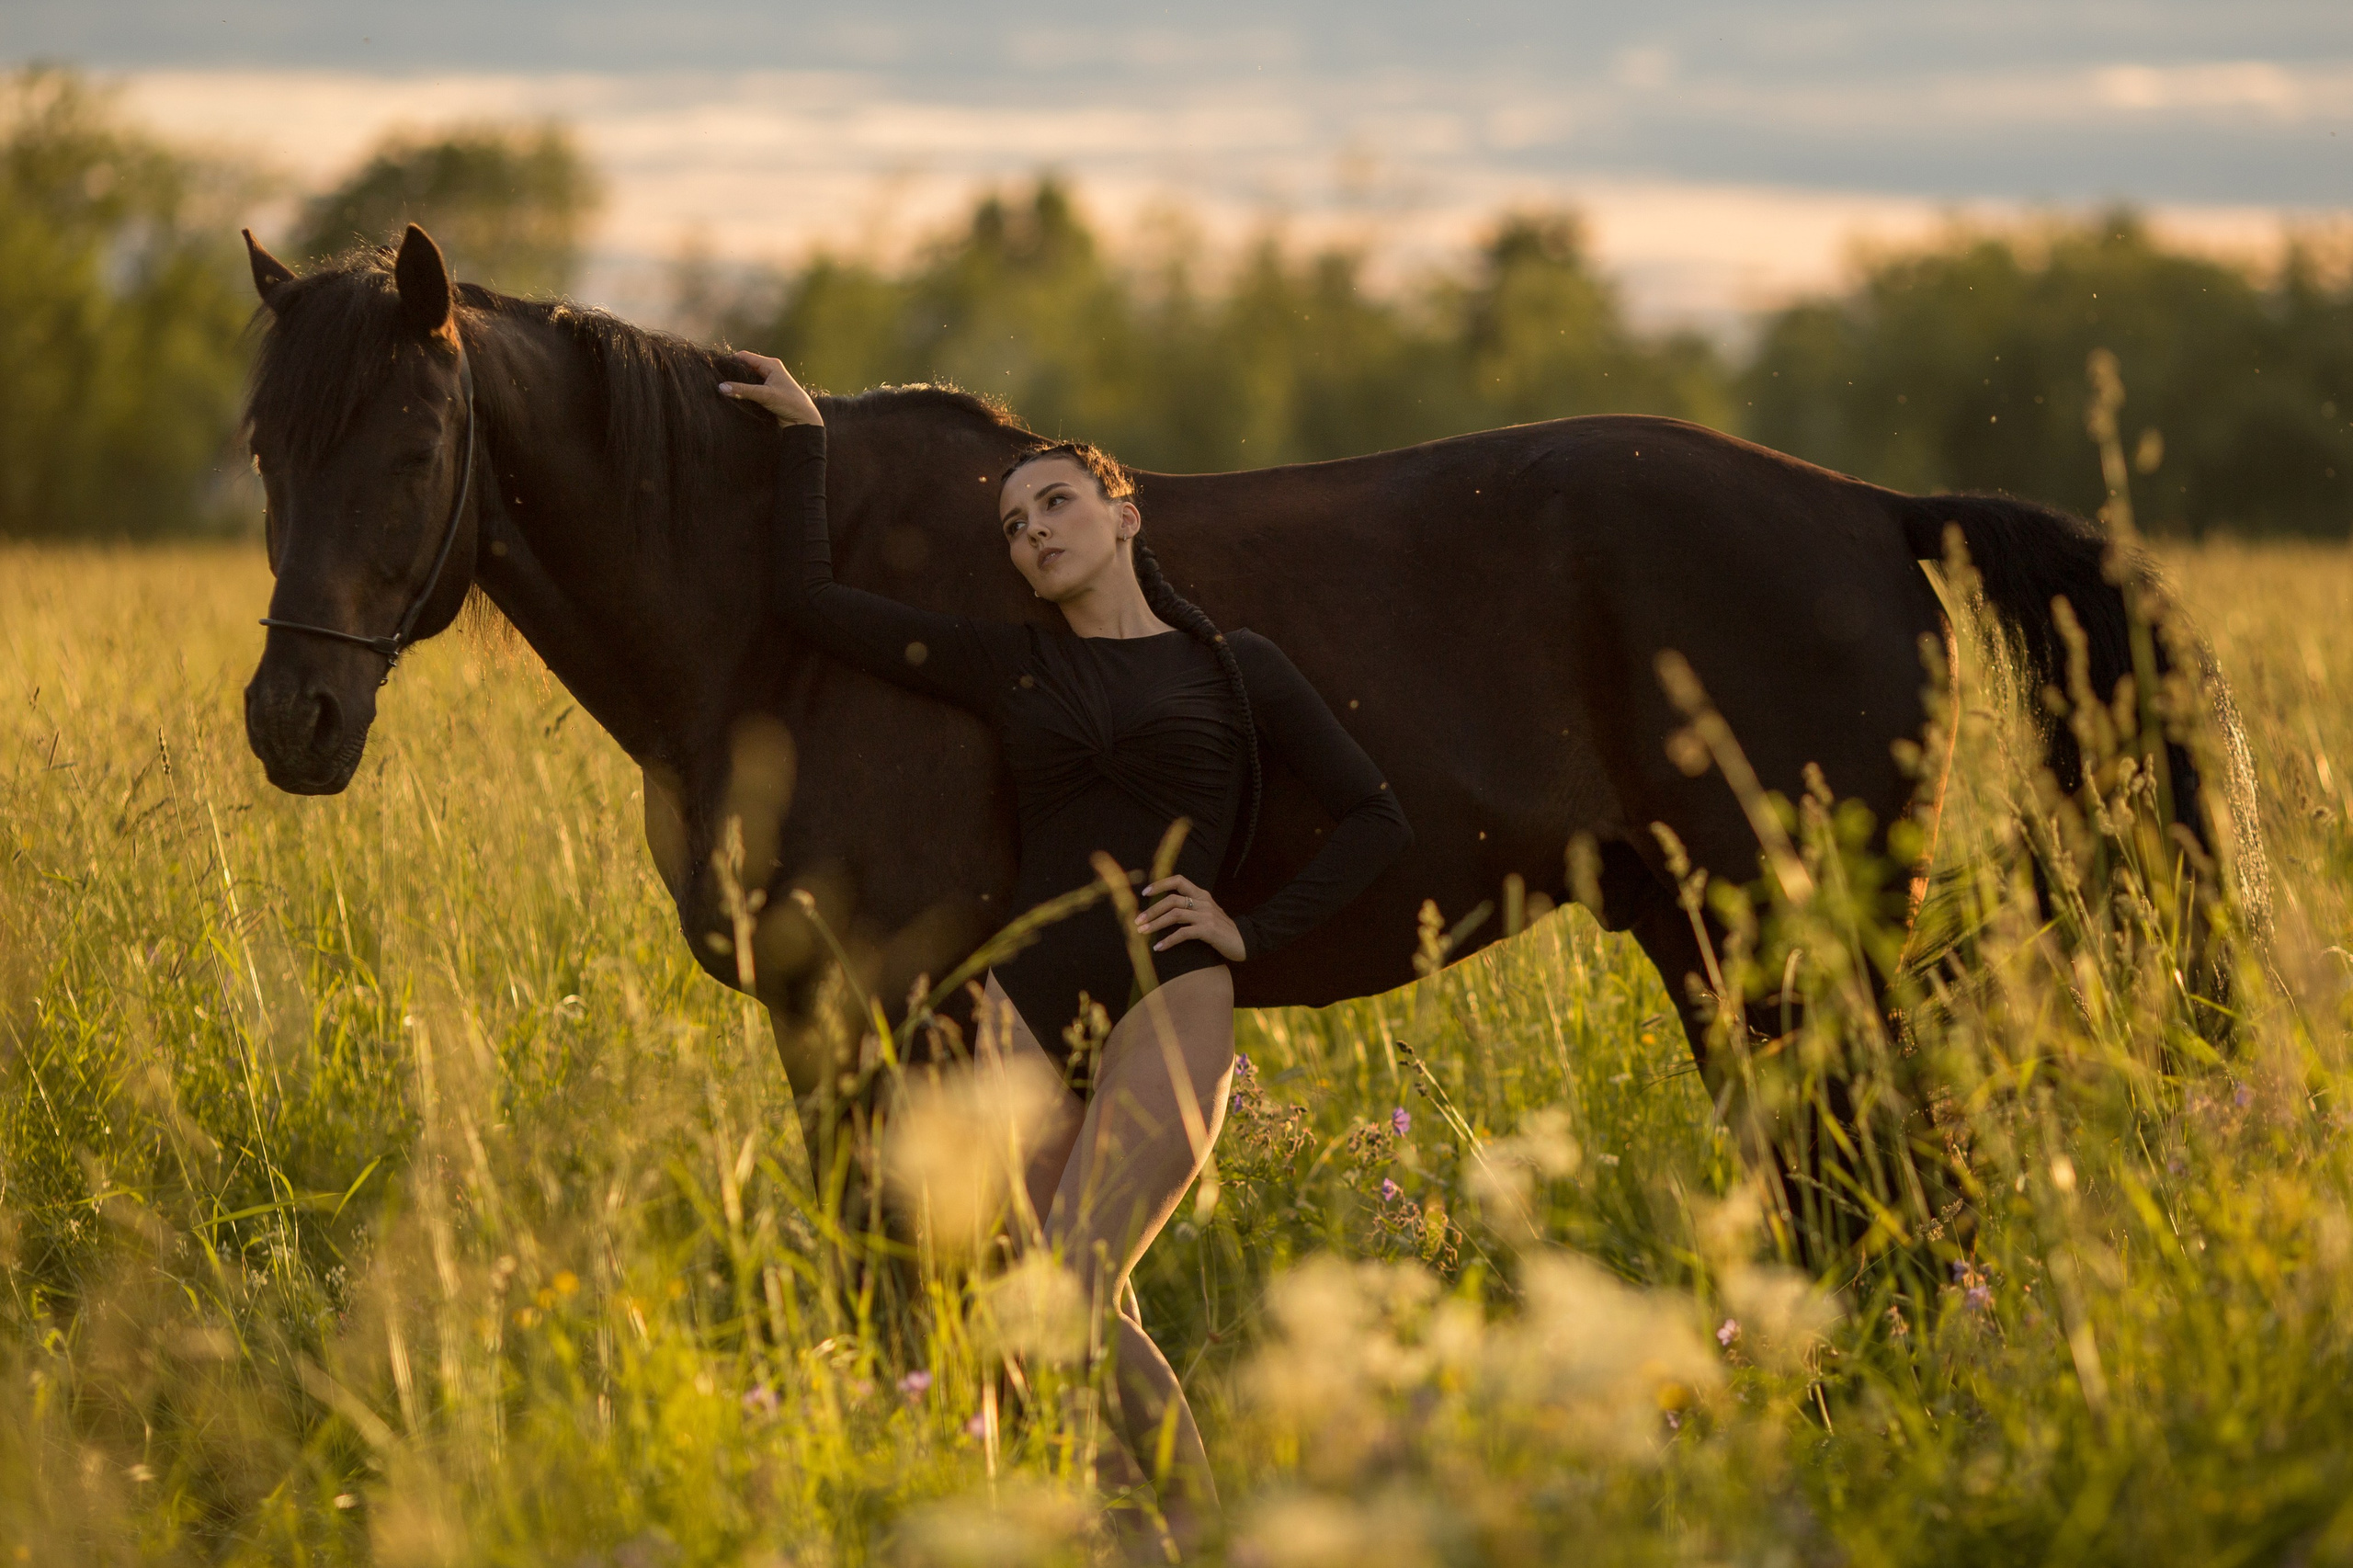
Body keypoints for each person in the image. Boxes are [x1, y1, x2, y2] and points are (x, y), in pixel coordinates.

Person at [720, 353, 1411, 1551]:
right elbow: (813, 605)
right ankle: (1117, 1531)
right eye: (1015, 522)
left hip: (1166, 991)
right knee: (1059, 1295)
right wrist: (803, 437)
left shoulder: (1232, 669)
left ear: (1122, 513)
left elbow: (1375, 819)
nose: (1035, 530)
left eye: (1057, 503)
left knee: (1068, 1286)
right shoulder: (1017, 665)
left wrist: (1251, 929)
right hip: (1023, 1004)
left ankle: (1186, 1536)